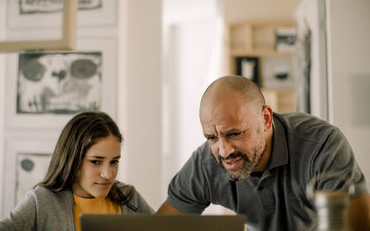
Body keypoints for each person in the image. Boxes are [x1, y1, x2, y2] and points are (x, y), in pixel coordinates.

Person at [157, 75, 370, 231]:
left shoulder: (322, 145)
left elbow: (359, 226)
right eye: (211, 138)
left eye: (234, 133)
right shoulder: (205, 164)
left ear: (266, 119)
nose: (224, 151)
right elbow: (161, 227)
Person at [0, 111, 154, 231]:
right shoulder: (42, 201)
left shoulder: (129, 198)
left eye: (114, 162)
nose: (108, 174)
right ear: (73, 159)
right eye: (96, 161)